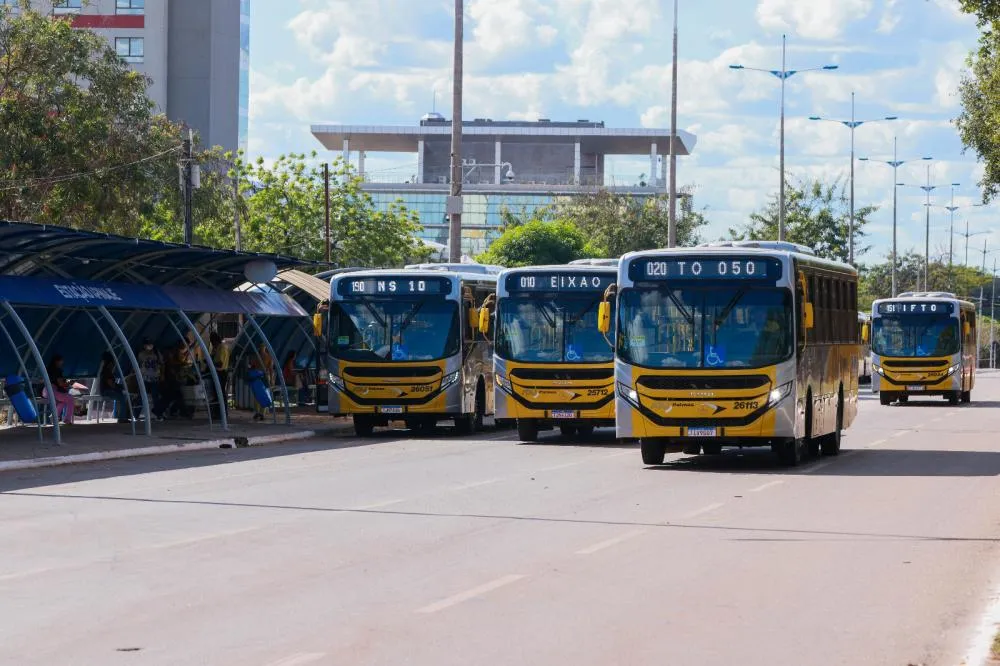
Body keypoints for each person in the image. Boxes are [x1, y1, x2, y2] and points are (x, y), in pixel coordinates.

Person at [98, 351, 130, 424]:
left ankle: (123, 415)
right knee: (122, 397)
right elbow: (111, 385)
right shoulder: (106, 371)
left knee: (123, 396)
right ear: (110, 363)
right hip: (106, 391)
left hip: (108, 390)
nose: (113, 365)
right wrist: (120, 388)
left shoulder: (108, 371)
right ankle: (122, 418)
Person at [43, 354, 75, 425]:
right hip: (52, 391)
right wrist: (69, 383)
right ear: (57, 362)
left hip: (45, 391)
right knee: (70, 398)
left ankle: (54, 416)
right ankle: (67, 419)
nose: (62, 363)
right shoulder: (57, 370)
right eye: (61, 361)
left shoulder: (47, 369)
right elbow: (60, 384)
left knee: (63, 401)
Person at [209, 331, 231, 420]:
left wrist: (212, 364)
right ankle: (219, 412)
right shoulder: (219, 348)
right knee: (218, 393)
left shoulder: (222, 348)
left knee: (219, 393)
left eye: (212, 341)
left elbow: (220, 363)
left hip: (220, 373)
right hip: (219, 373)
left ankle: (221, 413)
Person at [136, 339, 162, 410]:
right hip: (145, 378)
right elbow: (139, 364)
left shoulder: (156, 353)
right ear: (144, 346)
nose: (150, 346)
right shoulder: (141, 354)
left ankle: (158, 413)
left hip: (154, 378)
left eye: (151, 344)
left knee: (155, 396)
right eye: (148, 345)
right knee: (141, 396)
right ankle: (136, 413)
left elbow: (161, 362)